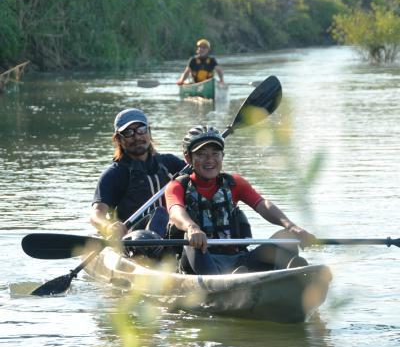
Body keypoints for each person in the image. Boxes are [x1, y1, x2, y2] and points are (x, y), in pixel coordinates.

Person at [165, 125, 316, 275]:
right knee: (192, 242)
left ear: (222, 156)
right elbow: (175, 211)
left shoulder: (234, 183)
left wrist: (291, 226)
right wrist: (192, 228)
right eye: (202, 154)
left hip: (239, 261)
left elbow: (263, 205)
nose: (209, 160)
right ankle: (225, 284)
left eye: (215, 153)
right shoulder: (177, 186)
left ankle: (288, 274)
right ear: (188, 158)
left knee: (287, 237)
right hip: (200, 260)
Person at [91, 108, 186, 240]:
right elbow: (96, 215)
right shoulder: (114, 174)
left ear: (149, 132)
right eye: (128, 132)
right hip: (134, 241)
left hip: (172, 234)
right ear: (118, 139)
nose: (137, 137)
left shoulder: (171, 163)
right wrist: (108, 227)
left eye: (141, 129)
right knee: (159, 213)